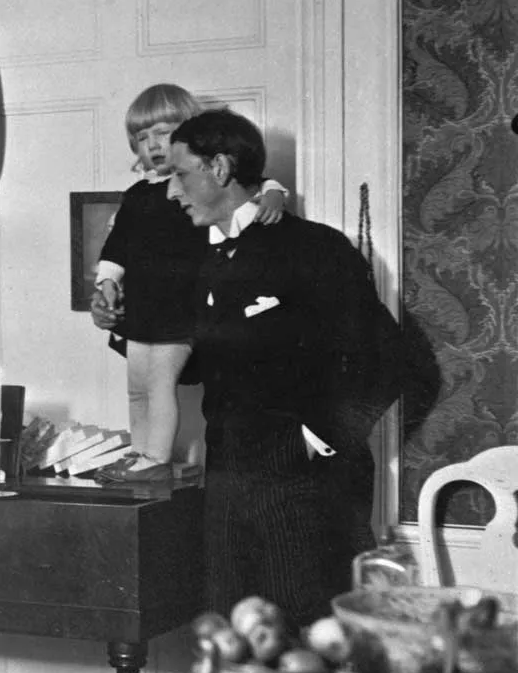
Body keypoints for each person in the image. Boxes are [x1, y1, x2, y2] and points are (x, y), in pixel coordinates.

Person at [165, 108, 402, 628]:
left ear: (220, 169)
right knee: (230, 639)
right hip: (226, 472)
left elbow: (388, 358)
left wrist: (320, 437)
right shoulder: (203, 257)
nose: (172, 191)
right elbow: (195, 367)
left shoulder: (315, 248)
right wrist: (119, 328)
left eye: (181, 175)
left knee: (302, 643)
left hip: (305, 482)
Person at [90, 84, 288, 482]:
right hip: (142, 307)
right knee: (137, 386)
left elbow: (255, 181)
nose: (153, 145)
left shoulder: (196, 183)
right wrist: (107, 283)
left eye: (163, 133)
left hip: (180, 306)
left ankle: (157, 458)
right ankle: (139, 453)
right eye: (142, 137)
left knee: (162, 384)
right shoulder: (136, 195)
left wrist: (275, 193)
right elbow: (117, 246)